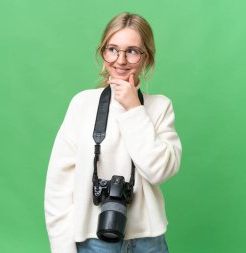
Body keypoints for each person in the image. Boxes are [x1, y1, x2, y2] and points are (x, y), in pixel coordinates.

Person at [44, 12, 182, 253]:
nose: (120, 60)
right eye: (112, 49)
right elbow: (58, 186)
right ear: (102, 53)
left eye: (132, 51)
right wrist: (62, 248)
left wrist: (134, 110)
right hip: (93, 241)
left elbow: (159, 170)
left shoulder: (160, 106)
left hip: (148, 241)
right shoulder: (82, 104)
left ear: (146, 58)